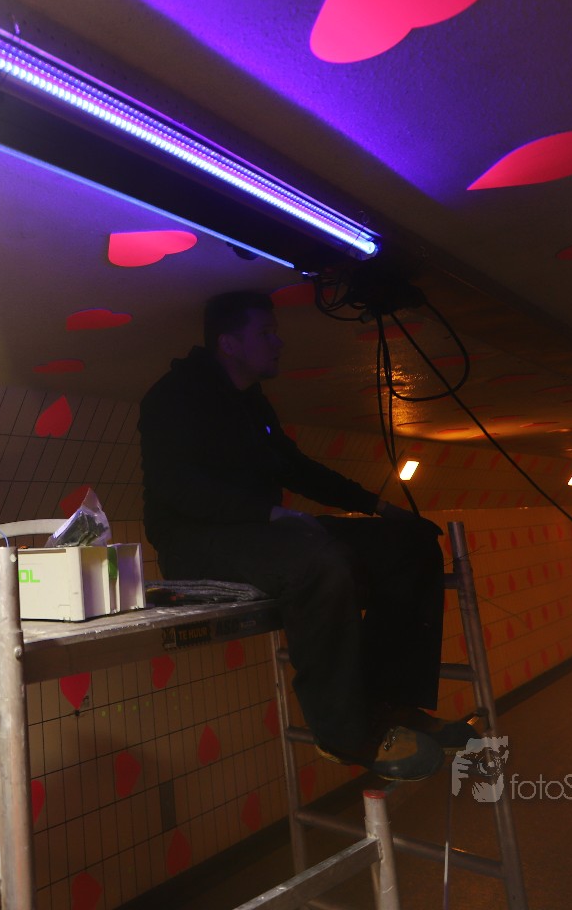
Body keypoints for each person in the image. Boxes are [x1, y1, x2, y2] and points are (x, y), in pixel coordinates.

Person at [139, 290, 473, 781]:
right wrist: (270, 513)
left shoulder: (252, 405)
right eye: (266, 333)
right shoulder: (173, 397)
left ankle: (388, 702)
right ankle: (343, 733)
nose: (278, 342)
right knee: (317, 561)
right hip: (195, 544)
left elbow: (295, 467)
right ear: (229, 343)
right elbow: (176, 487)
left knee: (409, 544)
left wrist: (379, 507)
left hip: (258, 531)